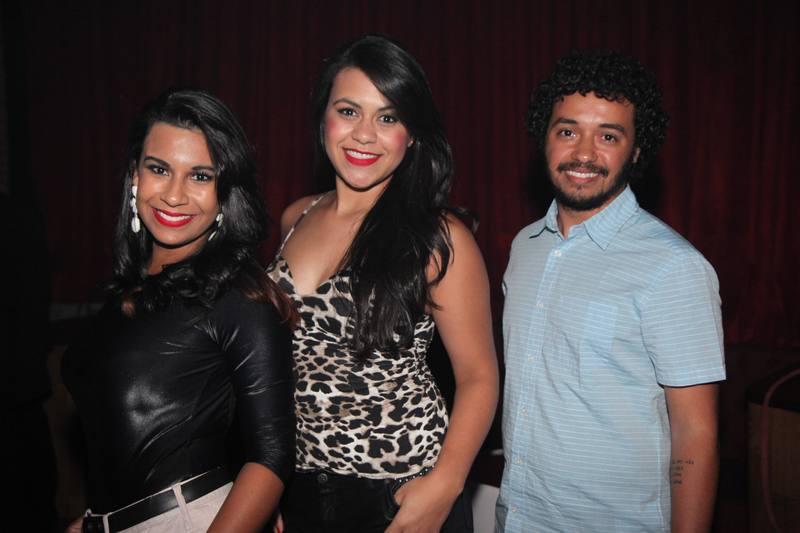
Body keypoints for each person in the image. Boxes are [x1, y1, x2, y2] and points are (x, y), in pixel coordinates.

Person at [268, 34, 499, 533]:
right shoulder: (294, 217)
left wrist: (446, 484)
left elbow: (479, 376)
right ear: (323, 118)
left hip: (400, 492)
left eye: (388, 117)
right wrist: (271, 480)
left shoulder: (438, 238)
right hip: (300, 488)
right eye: (349, 111)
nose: (364, 135)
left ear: (412, 134)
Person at [497, 50, 726, 532]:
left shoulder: (674, 267)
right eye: (567, 131)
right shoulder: (524, 248)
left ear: (636, 151)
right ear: (544, 138)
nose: (584, 154)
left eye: (608, 136)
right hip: (518, 518)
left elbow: (695, 433)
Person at [62, 88, 295, 533]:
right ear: (134, 175)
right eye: (159, 169)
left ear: (225, 193)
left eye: (200, 176)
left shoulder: (239, 298)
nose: (174, 195)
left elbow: (272, 455)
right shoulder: (126, 291)